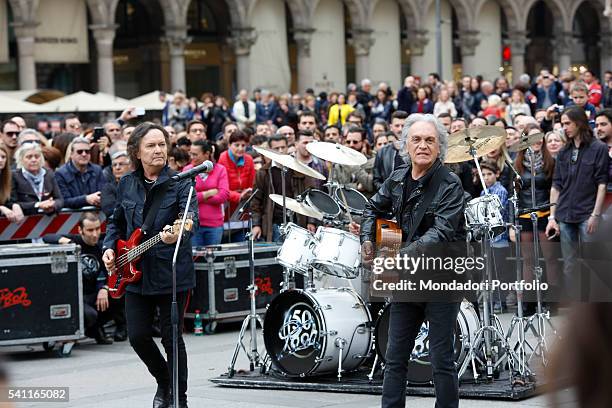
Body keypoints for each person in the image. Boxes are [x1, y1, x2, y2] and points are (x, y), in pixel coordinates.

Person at [361, 113, 465, 408]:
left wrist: (398, 258)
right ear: (405, 144)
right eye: (416, 139)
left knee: (441, 358)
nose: (422, 145)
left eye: (430, 140)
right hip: (407, 279)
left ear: (439, 146)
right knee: (394, 357)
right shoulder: (397, 178)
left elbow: (441, 233)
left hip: (441, 279)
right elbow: (372, 209)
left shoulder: (450, 183)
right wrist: (368, 240)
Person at [102, 122, 198, 408]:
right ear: (136, 152)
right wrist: (109, 248)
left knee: (172, 339)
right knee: (138, 336)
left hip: (171, 273)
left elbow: (189, 215)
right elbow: (116, 221)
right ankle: (164, 381)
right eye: (151, 145)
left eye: (162, 144)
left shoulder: (181, 182)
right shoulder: (127, 184)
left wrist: (180, 231)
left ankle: (179, 400)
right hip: (134, 275)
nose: (158, 150)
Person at [546, 106, 609, 299]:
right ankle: (577, 306)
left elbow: (602, 184)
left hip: (587, 212)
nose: (564, 127)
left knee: (594, 260)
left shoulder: (598, 148)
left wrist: (595, 215)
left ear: (579, 122)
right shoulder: (564, 151)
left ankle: (596, 304)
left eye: (567, 123)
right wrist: (552, 217)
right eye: (562, 123)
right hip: (565, 213)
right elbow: (556, 185)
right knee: (569, 264)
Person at [43, 212, 126, 343]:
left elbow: (109, 273)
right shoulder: (75, 240)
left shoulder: (103, 245)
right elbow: (47, 237)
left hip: (95, 293)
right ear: (80, 230)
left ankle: (100, 328)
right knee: (90, 315)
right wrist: (67, 242)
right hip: (76, 296)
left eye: (98, 229)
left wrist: (104, 288)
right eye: (90, 230)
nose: (95, 234)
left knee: (118, 294)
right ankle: (90, 329)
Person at [251, 134, 316, 241]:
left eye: (283, 147)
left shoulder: (300, 169)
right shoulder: (263, 173)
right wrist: (256, 224)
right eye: (276, 148)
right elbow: (255, 201)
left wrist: (311, 221)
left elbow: (311, 196)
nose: (280, 151)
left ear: (288, 147)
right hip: (274, 224)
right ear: (270, 150)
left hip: (298, 223)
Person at [184, 140, 229, 246]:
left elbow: (223, 196)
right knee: (196, 260)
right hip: (193, 225)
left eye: (195, 154)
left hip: (214, 225)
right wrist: (208, 193)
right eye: (190, 153)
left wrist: (197, 195)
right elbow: (186, 197)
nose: (191, 157)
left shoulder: (220, 170)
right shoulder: (187, 170)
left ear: (207, 154)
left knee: (213, 260)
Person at [217, 130, 255, 242]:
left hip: (242, 208)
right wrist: (238, 196)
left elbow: (252, 183)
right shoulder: (222, 158)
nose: (240, 148)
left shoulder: (249, 159)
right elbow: (220, 187)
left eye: (243, 145)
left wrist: (248, 192)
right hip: (225, 207)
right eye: (236, 145)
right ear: (229, 145)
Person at [11, 142, 63, 215]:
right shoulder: (14, 176)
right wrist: (38, 205)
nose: (34, 160)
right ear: (21, 159)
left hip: (48, 220)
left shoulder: (48, 173)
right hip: (25, 220)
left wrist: (53, 206)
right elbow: (13, 203)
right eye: (29, 157)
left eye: (37, 156)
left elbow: (59, 199)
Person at [372, 111, 408, 190]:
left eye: (403, 125)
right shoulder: (382, 152)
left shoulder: (415, 149)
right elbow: (376, 180)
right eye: (397, 125)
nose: (400, 129)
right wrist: (388, 192)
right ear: (391, 127)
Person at [101, 150, 132, 218]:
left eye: (121, 164)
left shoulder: (138, 184)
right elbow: (109, 210)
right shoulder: (108, 188)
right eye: (114, 165)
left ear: (130, 166)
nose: (117, 168)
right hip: (116, 226)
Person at [0, 142, 23, 223]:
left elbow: (10, 200)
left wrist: (15, 205)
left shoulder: (9, 177)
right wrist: (1, 208)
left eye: (3, 157)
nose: (1, 160)